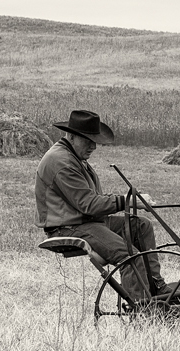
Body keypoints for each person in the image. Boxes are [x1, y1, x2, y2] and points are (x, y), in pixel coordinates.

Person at [35, 109, 170, 304]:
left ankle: (156, 287)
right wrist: (127, 201)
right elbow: (89, 204)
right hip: (70, 227)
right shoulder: (61, 162)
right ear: (71, 136)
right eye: (88, 140)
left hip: (86, 222)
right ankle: (142, 310)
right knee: (128, 255)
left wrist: (128, 202)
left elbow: (90, 201)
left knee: (142, 226)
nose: (93, 146)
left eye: (95, 141)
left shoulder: (73, 156)